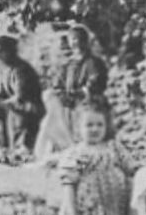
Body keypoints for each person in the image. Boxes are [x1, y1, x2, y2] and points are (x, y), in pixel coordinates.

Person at [34, 25, 107, 159]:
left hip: (88, 103)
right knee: (51, 104)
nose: (76, 42)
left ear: (86, 41)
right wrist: (62, 94)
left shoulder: (94, 62)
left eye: (79, 39)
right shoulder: (69, 64)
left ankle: (83, 152)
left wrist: (81, 93)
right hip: (69, 103)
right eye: (73, 39)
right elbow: (58, 82)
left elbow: (96, 82)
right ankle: (60, 149)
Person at [0, 35, 43, 161]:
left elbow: (20, 96)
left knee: (1, 108)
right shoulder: (6, 69)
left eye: (0, 51)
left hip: (29, 107)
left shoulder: (22, 70)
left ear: (10, 51)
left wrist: (0, 103)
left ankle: (19, 148)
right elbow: (0, 91)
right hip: (14, 104)